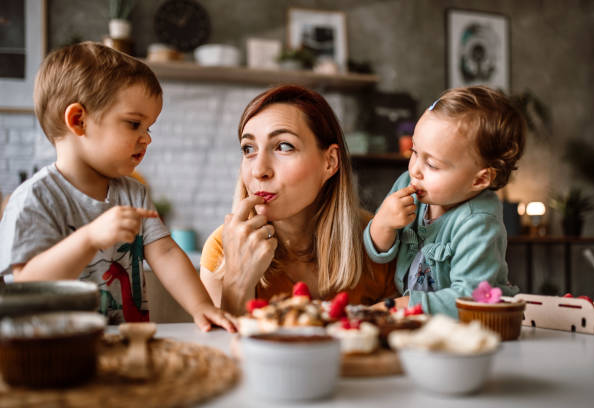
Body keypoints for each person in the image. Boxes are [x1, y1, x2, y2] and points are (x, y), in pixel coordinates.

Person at [0, 42, 234, 331]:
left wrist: (201, 306)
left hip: (126, 343)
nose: (147, 138)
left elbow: (167, 253)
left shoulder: (133, 193)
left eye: (149, 128)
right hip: (58, 352)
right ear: (78, 120)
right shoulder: (35, 198)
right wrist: (89, 238)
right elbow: (27, 283)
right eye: (134, 124)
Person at [200, 85, 398, 315]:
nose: (259, 170)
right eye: (248, 149)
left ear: (330, 162)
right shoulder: (222, 249)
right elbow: (226, 348)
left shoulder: (378, 242)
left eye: (284, 146)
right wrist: (237, 280)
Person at [364, 86, 525, 317]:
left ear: (479, 179)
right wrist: (383, 224)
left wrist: (403, 305)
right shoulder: (406, 186)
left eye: (432, 165)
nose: (415, 170)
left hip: (476, 325)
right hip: (423, 321)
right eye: (414, 152)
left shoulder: (479, 221)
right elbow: (376, 252)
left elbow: (469, 298)